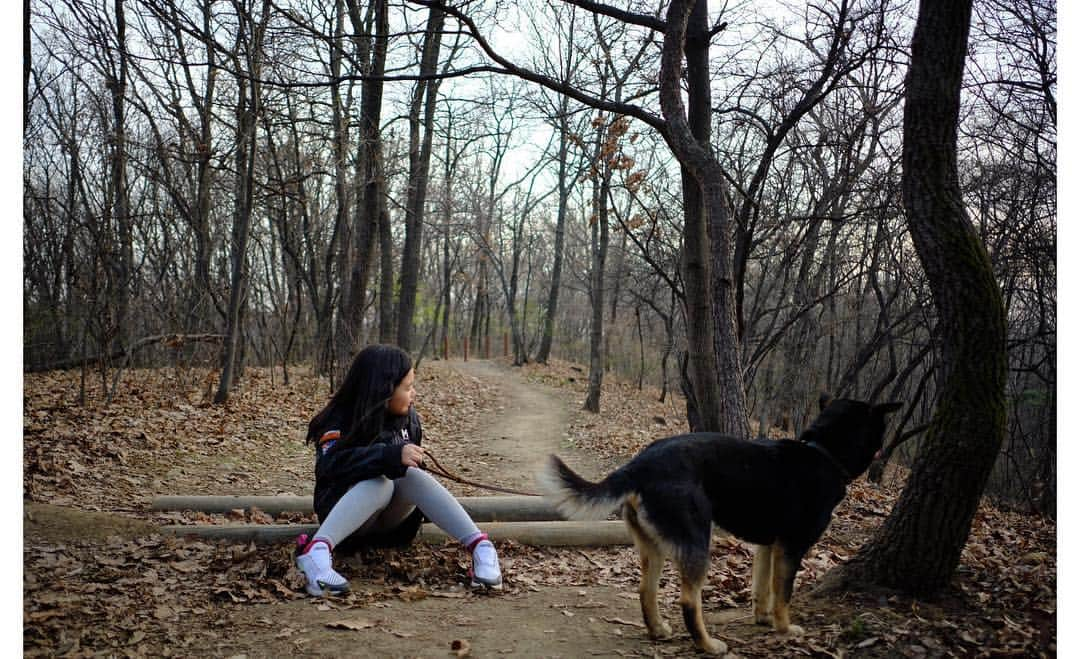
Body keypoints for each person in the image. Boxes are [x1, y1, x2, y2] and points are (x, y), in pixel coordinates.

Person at [296, 344, 502, 596]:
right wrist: (388, 456)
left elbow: (405, 471)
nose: (413, 394)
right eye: (407, 388)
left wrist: (405, 460)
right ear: (383, 390)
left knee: (409, 474)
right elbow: (330, 467)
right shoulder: (338, 419)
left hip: (392, 528)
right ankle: (315, 553)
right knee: (381, 482)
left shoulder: (409, 419)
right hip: (345, 526)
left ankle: (481, 546)